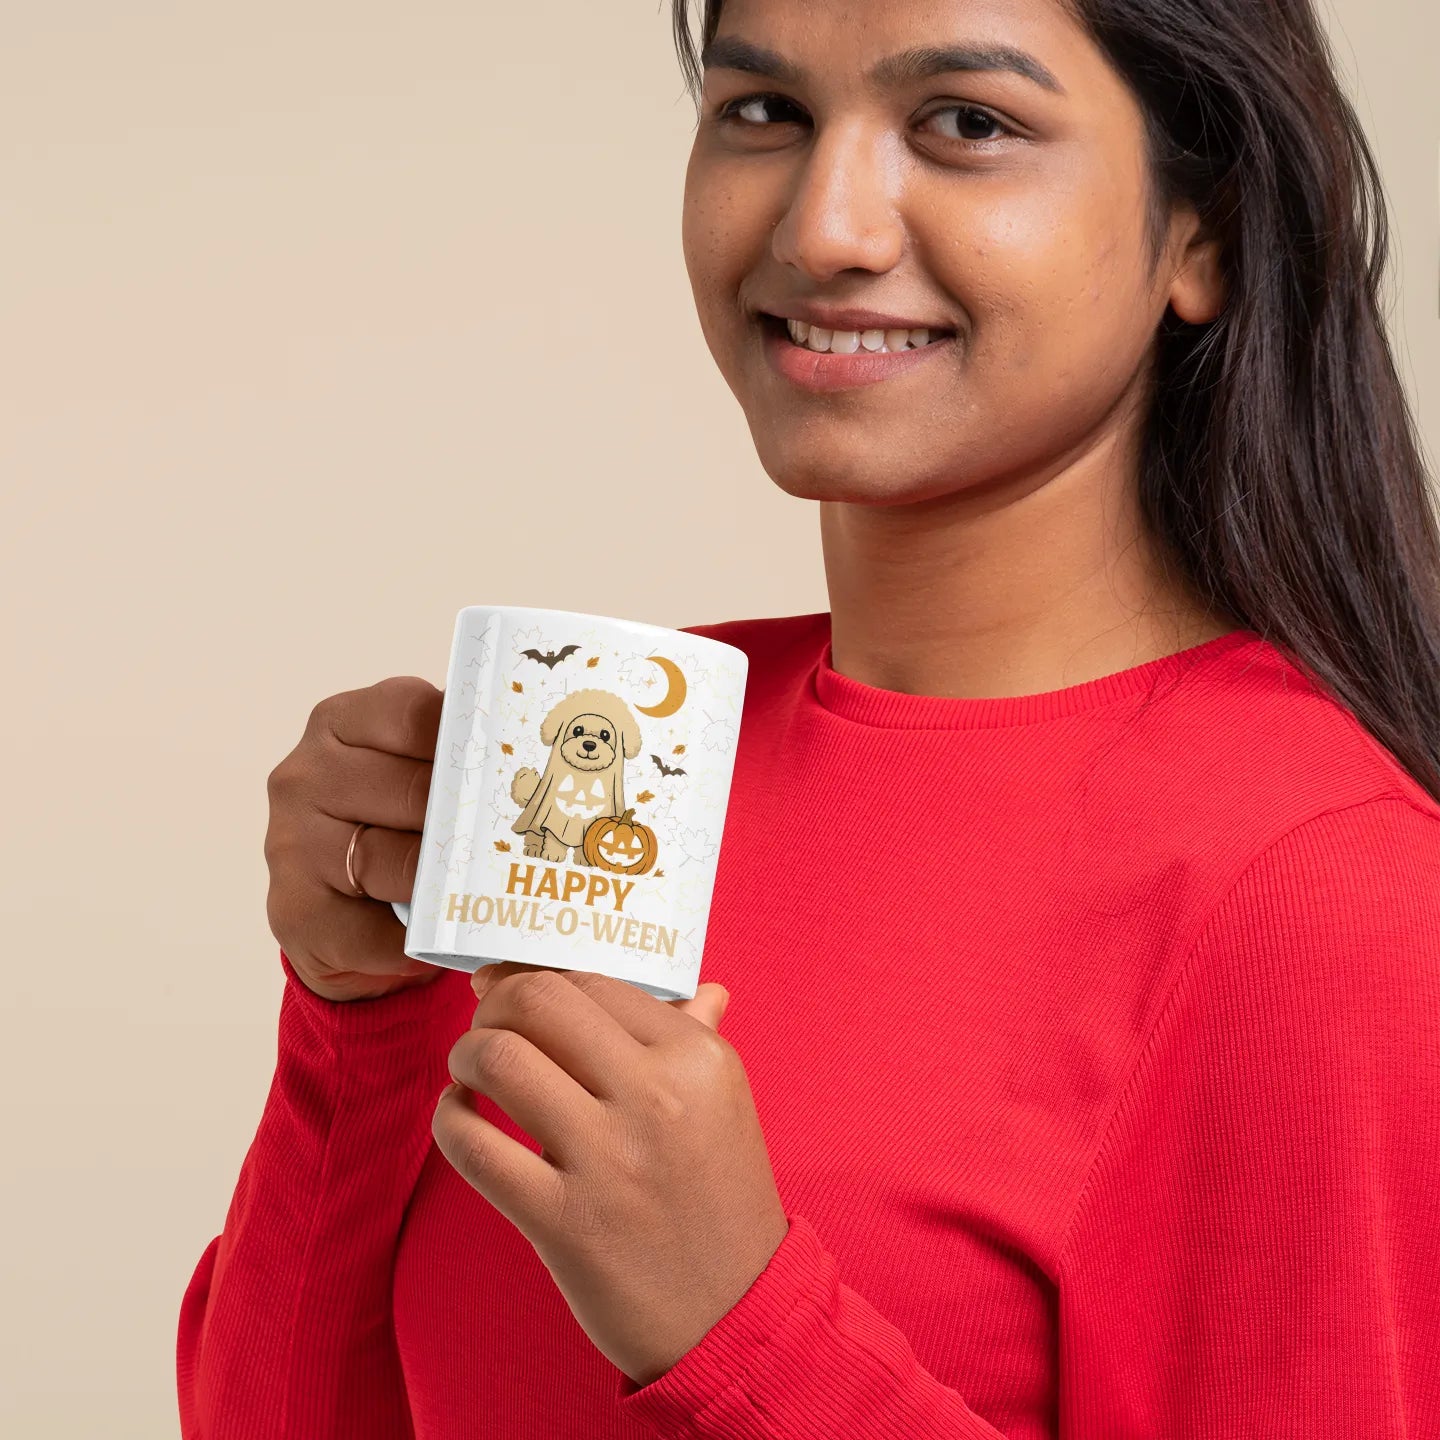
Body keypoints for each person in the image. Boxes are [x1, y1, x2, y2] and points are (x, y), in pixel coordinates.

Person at [176, 0, 1440, 1434]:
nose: (824, 226)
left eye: (968, 121)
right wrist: (358, 1019)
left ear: (1201, 232)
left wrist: (739, 1327)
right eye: (763, 114)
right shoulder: (639, 752)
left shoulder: (1331, 896)